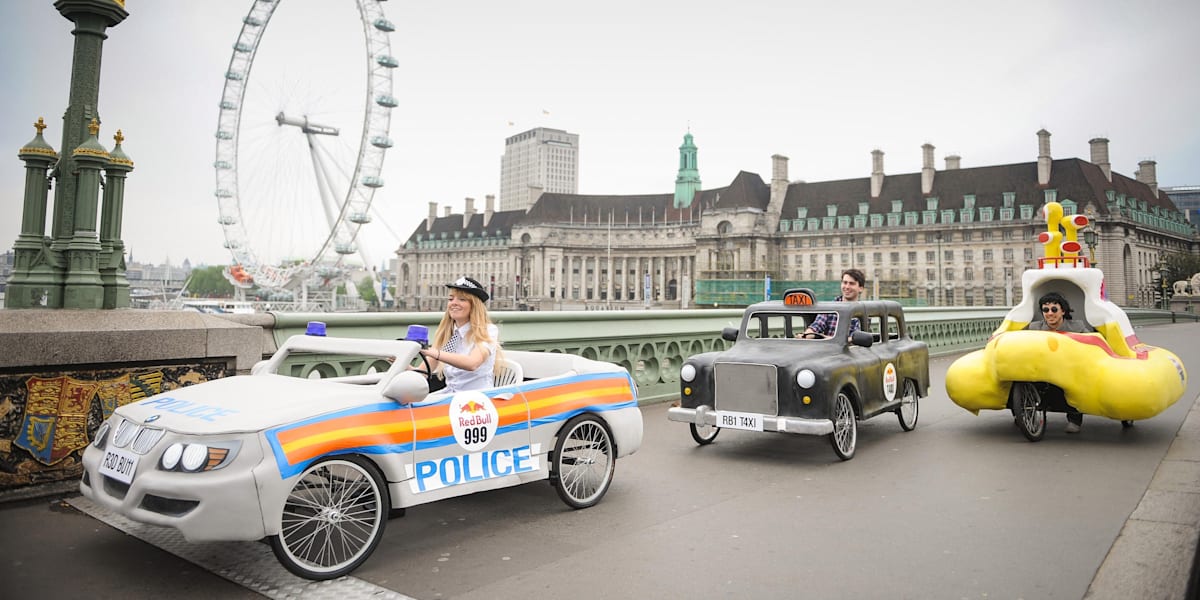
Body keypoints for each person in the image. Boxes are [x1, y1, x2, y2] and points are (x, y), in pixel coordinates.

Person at [418, 276, 501, 394]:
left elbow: (472, 363)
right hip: (450, 395)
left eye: (462, 299)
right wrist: (401, 359)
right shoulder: (448, 333)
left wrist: (432, 352)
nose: (454, 303)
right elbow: (423, 373)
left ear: (474, 305)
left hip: (477, 398)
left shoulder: (488, 331)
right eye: (451, 299)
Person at [1026, 292, 1094, 433]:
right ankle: (1024, 412)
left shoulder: (1077, 327)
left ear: (1063, 311)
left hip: (1069, 368)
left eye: (1054, 309)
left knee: (1076, 382)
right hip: (1042, 368)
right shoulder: (1034, 328)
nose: (1050, 313)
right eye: (1046, 310)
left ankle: (1074, 419)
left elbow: (1092, 342)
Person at [800, 268, 866, 339]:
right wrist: (805, 335)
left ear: (861, 288)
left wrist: (827, 338)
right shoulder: (830, 307)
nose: (847, 287)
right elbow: (817, 325)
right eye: (845, 282)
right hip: (827, 348)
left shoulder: (863, 311)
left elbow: (854, 339)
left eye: (851, 283)